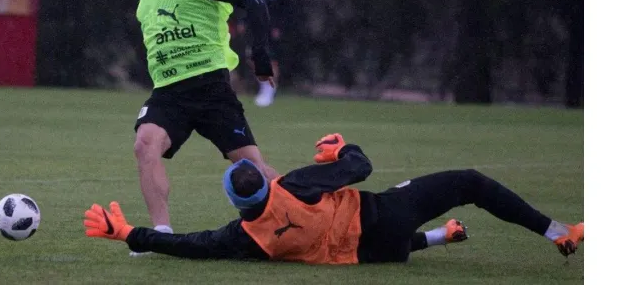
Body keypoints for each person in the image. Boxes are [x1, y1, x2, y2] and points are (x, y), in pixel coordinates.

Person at [84, 133, 584, 264]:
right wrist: (342, 148)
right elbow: (361, 167)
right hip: (382, 220)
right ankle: (559, 232)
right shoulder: (294, 185)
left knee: (383, 245)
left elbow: (191, 244)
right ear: (262, 181)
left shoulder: (245, 239)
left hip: (369, 255)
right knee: (470, 183)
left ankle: (439, 237)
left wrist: (130, 233)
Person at [129, 0, 280, 254]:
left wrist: (261, 56)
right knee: (144, 144)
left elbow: (252, 0)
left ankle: (309, 206)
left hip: (211, 90)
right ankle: (161, 233)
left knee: (252, 169)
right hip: (169, 93)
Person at [250, 0, 291, 107]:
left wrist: (279, 26)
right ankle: (263, 86)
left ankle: (269, 90)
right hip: (256, 26)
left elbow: (286, 8)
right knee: (254, 57)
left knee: (271, 58)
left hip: (272, 27)